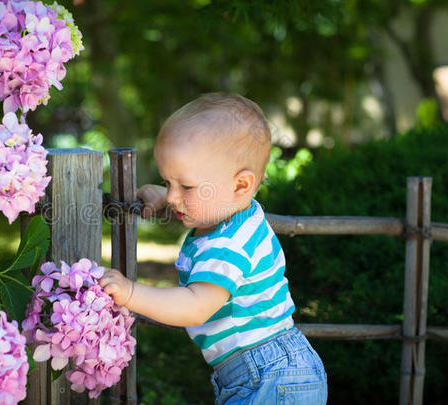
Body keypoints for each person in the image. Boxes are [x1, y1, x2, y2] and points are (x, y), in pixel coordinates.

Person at [99, 93, 328, 404]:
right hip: (272, 372)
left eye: (186, 186)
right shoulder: (237, 215)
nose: (174, 196)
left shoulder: (228, 246)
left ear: (240, 185)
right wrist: (167, 199)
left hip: (269, 377)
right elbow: (207, 206)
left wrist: (130, 293)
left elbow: (195, 306)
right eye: (168, 182)